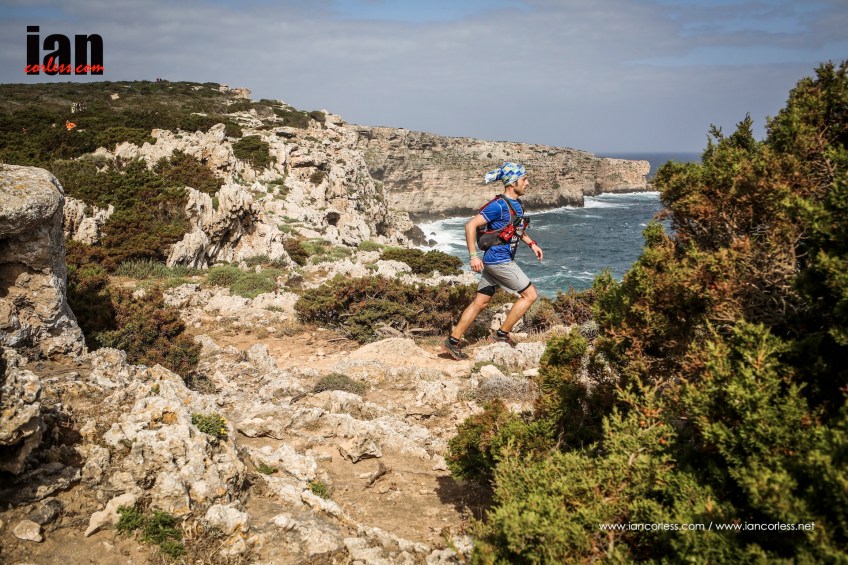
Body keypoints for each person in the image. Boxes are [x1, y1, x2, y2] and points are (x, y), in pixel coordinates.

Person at [443, 162, 543, 360]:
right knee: (530, 295)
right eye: (524, 179)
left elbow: (516, 229)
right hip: (499, 261)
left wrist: (532, 244)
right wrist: (473, 256)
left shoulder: (517, 204)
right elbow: (470, 225)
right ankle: (501, 335)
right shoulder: (498, 205)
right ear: (512, 182)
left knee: (480, 302)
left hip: (496, 261)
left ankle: (452, 341)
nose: (528, 183)